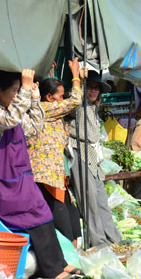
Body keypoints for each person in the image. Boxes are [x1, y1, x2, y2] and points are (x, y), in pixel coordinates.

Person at [0, 69, 77, 279]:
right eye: (14, 91)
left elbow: (33, 129)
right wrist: (25, 90)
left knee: (45, 214)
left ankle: (60, 263)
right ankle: (53, 270)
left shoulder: (11, 110)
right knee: (34, 217)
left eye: (17, 91)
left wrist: (35, 99)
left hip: (21, 177)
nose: (16, 96)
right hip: (3, 183)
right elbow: (9, 121)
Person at [27, 59, 83, 247]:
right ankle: (68, 254)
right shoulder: (45, 108)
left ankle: (73, 251)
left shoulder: (54, 112)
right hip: (46, 172)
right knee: (61, 213)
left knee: (71, 212)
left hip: (56, 172)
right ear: (49, 97)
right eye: (60, 96)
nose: (63, 99)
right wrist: (75, 75)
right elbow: (75, 100)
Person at [69, 72, 122, 247]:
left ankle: (113, 239)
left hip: (93, 157)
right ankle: (98, 242)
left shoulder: (93, 108)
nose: (93, 91)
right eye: (90, 87)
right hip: (79, 152)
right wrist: (77, 76)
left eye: (96, 88)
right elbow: (89, 134)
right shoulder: (78, 105)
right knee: (89, 200)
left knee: (101, 200)